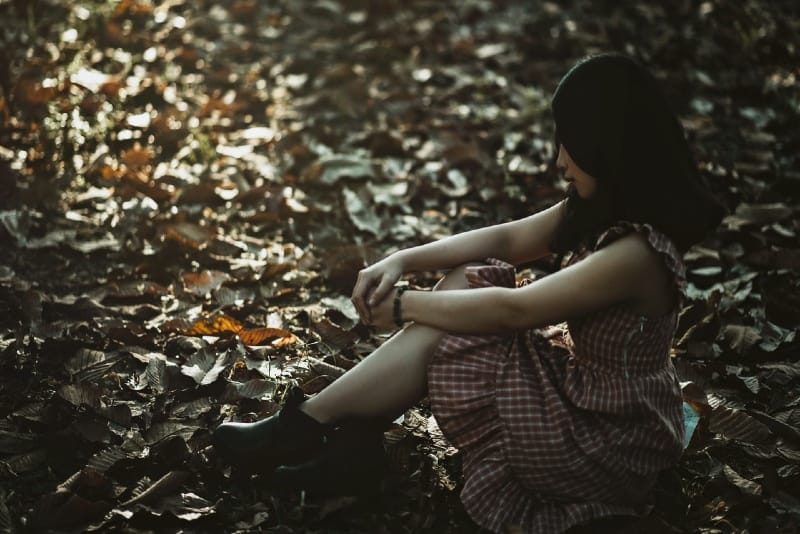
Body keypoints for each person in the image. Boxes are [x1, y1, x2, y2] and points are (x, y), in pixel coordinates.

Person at [212, 53, 724, 532]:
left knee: (463, 312)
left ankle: (311, 431)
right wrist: (401, 260)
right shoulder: (603, 208)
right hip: (582, 399)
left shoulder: (636, 254)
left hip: (602, 441)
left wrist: (402, 305)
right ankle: (328, 434)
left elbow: (515, 310)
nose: (559, 159)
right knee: (467, 280)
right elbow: (506, 238)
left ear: (605, 147)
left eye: (568, 141)